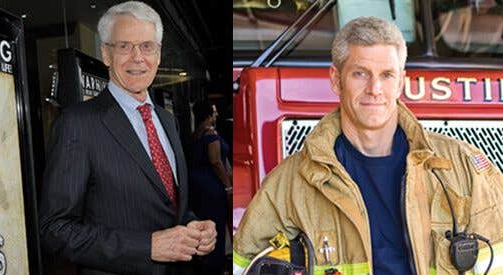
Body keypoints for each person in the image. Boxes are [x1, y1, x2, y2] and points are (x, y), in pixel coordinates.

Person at [233, 16, 503, 275]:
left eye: (386, 75)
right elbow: (244, 265)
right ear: (336, 80)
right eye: (360, 74)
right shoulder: (287, 185)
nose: (375, 89)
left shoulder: (466, 171)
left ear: (400, 82)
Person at [38, 2, 216, 274]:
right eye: (124, 46)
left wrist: (194, 228)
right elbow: (54, 230)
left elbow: (170, 205)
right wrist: (147, 247)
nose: (137, 57)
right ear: (106, 54)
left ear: (158, 55)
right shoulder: (78, 123)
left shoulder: (167, 121)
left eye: (147, 46)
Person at [189, 101, 232, 274]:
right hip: (212, 187)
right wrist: (228, 186)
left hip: (197, 186)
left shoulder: (195, 134)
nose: (217, 115)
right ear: (208, 115)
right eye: (214, 112)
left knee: (202, 226)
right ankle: (215, 265)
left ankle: (204, 263)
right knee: (216, 227)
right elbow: (215, 161)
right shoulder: (211, 134)